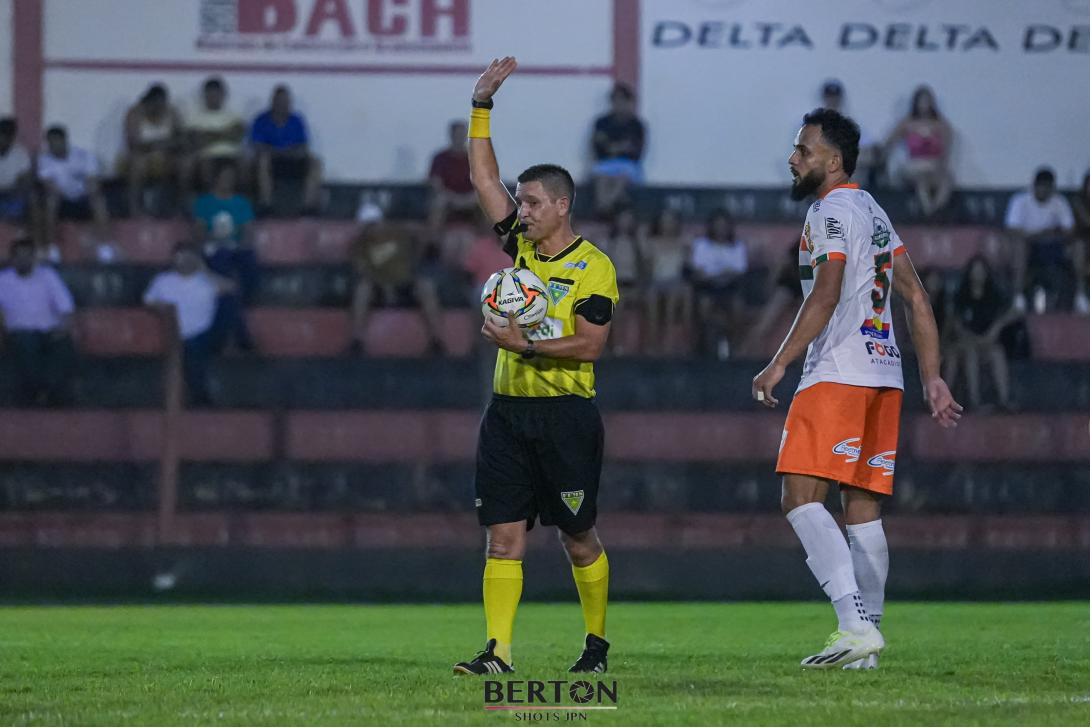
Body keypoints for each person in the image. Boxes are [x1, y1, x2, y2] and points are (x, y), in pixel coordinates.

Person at [752, 108, 961, 670]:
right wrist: (932, 377)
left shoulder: (831, 210)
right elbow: (916, 297)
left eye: (804, 150)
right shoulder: (872, 207)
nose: (793, 159)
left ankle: (852, 625)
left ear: (833, 161)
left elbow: (825, 293)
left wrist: (777, 365)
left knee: (799, 497)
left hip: (838, 371)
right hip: (884, 374)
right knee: (861, 509)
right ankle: (864, 646)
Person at [452, 57, 619, 676]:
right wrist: (481, 105)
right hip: (508, 414)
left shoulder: (594, 267)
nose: (520, 210)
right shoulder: (517, 247)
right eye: (520, 201)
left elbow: (589, 347)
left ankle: (595, 647)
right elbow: (482, 177)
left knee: (577, 538)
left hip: (567, 415)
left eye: (532, 202)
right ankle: (498, 652)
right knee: (502, 536)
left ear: (562, 206)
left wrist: (522, 344)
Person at [348, 202, 445, 356]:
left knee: (426, 286)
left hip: (404, 280)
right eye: (368, 225)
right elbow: (363, 271)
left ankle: (436, 339)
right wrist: (386, 286)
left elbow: (422, 242)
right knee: (362, 289)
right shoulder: (358, 246)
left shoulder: (400, 234)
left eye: (374, 224)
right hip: (379, 285)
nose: (372, 229)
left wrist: (416, 256)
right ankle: (356, 340)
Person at [143, 242, 232, 406]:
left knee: (195, 351)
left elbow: (231, 288)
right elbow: (148, 300)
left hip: (203, 334)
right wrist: (160, 307)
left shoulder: (206, 281)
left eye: (188, 257)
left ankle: (201, 400)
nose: (183, 261)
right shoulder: (163, 280)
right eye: (179, 257)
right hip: (173, 334)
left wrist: (204, 270)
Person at [0, 238, 76, 405]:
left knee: (65, 345)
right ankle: (38, 393)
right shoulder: (2, 280)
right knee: (26, 344)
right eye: (19, 256)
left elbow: (66, 307)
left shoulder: (48, 276)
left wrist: (64, 328)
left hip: (49, 331)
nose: (23, 260)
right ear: (12, 259)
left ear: (34, 258)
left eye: (27, 256)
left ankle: (49, 392)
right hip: (18, 333)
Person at [193, 163, 257, 352]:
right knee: (222, 262)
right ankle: (243, 337)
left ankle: (239, 294)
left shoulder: (242, 203)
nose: (228, 181)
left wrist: (238, 242)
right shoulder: (204, 202)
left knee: (248, 258)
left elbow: (248, 233)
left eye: (231, 177)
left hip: (235, 248)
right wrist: (218, 237)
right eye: (224, 177)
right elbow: (199, 234)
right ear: (216, 179)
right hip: (213, 248)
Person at [947, 256, 1020, 412]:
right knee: (970, 352)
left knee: (997, 353)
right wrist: (971, 339)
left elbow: (1014, 312)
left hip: (987, 342)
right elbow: (956, 324)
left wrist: (997, 327)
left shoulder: (993, 294)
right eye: (975, 270)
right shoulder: (961, 295)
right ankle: (975, 402)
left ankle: (1004, 400)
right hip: (966, 343)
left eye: (981, 271)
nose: (978, 274)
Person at [1005, 167, 1078, 314]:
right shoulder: (1020, 200)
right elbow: (1012, 230)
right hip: (1028, 245)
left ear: (1053, 188)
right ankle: (1017, 297)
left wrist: (1048, 234)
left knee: (1078, 247)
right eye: (1041, 186)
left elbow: (1069, 231)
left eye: (1048, 187)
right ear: (1034, 186)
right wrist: (1043, 233)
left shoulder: (1059, 202)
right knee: (1019, 247)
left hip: (1052, 246)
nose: (1044, 191)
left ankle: (1080, 296)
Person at [37, 126, 113, 257]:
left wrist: (86, 192)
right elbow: (49, 185)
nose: (53, 145)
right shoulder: (44, 160)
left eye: (56, 141)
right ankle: (52, 249)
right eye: (50, 142)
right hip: (62, 201)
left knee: (98, 200)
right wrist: (64, 194)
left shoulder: (84, 156)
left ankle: (104, 247)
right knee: (50, 201)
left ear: (64, 140)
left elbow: (93, 181)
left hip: (83, 198)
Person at [250, 85, 322, 214]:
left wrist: (288, 152)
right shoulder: (261, 120)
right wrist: (277, 152)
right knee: (263, 160)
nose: (282, 104)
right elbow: (257, 146)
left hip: (292, 160)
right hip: (272, 161)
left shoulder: (297, 120)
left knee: (315, 161)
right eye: (279, 101)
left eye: (285, 101)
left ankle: (308, 206)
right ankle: (266, 204)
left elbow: (303, 146)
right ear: (273, 102)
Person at [689, 209, 749, 359]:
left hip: (731, 287)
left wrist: (719, 273)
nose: (721, 229)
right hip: (707, 287)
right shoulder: (701, 245)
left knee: (738, 308)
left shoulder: (737, 246)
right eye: (717, 225)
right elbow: (699, 272)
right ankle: (704, 347)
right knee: (704, 306)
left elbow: (739, 272)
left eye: (724, 225)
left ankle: (734, 348)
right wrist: (721, 273)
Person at [885, 86, 953, 218]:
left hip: (933, 165)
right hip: (914, 165)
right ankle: (927, 212)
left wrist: (942, 165)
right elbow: (889, 142)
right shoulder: (907, 123)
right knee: (922, 181)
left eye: (927, 102)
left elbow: (947, 148)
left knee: (946, 180)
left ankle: (937, 210)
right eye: (922, 101)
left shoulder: (940, 125)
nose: (924, 105)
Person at [123, 84, 184, 216]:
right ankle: (135, 208)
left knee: (183, 165)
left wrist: (158, 145)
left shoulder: (172, 112)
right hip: (142, 157)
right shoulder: (134, 113)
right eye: (156, 105)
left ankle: (177, 207)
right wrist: (161, 143)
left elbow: (180, 139)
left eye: (162, 105)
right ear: (149, 102)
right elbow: (133, 143)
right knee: (137, 165)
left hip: (166, 156)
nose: (159, 109)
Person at [184, 77, 247, 197]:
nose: (213, 98)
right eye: (210, 94)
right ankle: (210, 201)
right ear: (204, 95)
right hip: (206, 156)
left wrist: (209, 135)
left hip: (231, 156)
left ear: (223, 95)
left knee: (244, 163)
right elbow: (196, 140)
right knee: (205, 164)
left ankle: (242, 201)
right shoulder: (194, 117)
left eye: (216, 94)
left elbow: (237, 136)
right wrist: (224, 134)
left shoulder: (234, 116)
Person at [590, 83, 646, 216]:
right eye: (615, 100)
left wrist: (613, 147)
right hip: (606, 163)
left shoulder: (637, 125)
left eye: (622, 100)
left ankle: (604, 207)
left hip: (628, 164)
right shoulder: (601, 122)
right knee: (601, 177)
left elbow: (636, 152)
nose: (618, 104)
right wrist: (621, 147)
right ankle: (605, 205)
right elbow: (598, 148)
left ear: (628, 102)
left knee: (622, 177)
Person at [643, 207, 692, 356]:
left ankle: (670, 346)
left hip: (675, 282)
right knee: (651, 296)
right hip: (656, 281)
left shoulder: (682, 242)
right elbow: (647, 269)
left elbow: (688, 267)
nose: (668, 224)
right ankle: (653, 346)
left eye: (671, 221)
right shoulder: (651, 242)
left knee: (673, 298)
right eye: (665, 221)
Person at [427, 120, 476, 235]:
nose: (459, 137)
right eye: (457, 134)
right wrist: (452, 198)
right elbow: (435, 184)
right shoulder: (440, 158)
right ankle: (433, 242)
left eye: (462, 134)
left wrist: (471, 197)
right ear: (451, 135)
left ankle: (492, 244)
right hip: (447, 197)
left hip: (471, 198)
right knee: (438, 203)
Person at [0, 117, 33, 224]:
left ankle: (24, 236)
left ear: (12, 137)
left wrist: (10, 190)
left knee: (30, 201)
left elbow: (25, 181)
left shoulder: (21, 153)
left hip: (12, 195)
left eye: (6, 136)